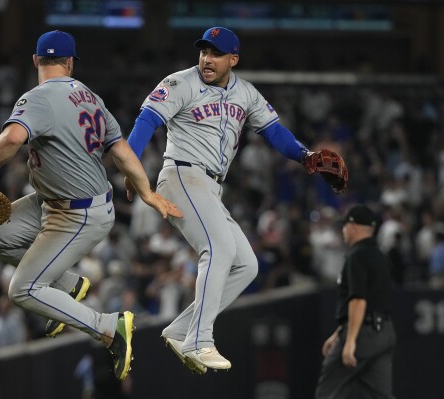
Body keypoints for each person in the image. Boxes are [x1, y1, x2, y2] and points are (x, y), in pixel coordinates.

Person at [0, 30, 181, 381]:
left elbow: (11, 138)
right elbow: (122, 151)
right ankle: (68, 285)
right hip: (56, 201)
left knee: (23, 289)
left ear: (36, 60)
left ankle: (108, 327)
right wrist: (145, 190)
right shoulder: (90, 97)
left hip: (78, 215)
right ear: (70, 63)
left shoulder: (37, 98)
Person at [126, 26, 324, 373]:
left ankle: (182, 328)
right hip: (181, 176)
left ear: (233, 58)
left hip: (210, 187)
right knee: (217, 249)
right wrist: (132, 167)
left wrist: (305, 156)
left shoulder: (245, 93)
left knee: (247, 265)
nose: (206, 59)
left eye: (216, 53)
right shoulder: (180, 82)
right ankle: (200, 341)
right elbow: (146, 121)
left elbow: (274, 131)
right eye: (204, 51)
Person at [315, 205, 396, 398]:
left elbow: (359, 300)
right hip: (385, 332)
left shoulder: (356, 256)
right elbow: (374, 299)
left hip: (362, 335)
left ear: (353, 226)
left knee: (326, 394)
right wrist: (339, 332)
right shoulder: (381, 257)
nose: (343, 230)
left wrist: (350, 341)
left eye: (344, 226)